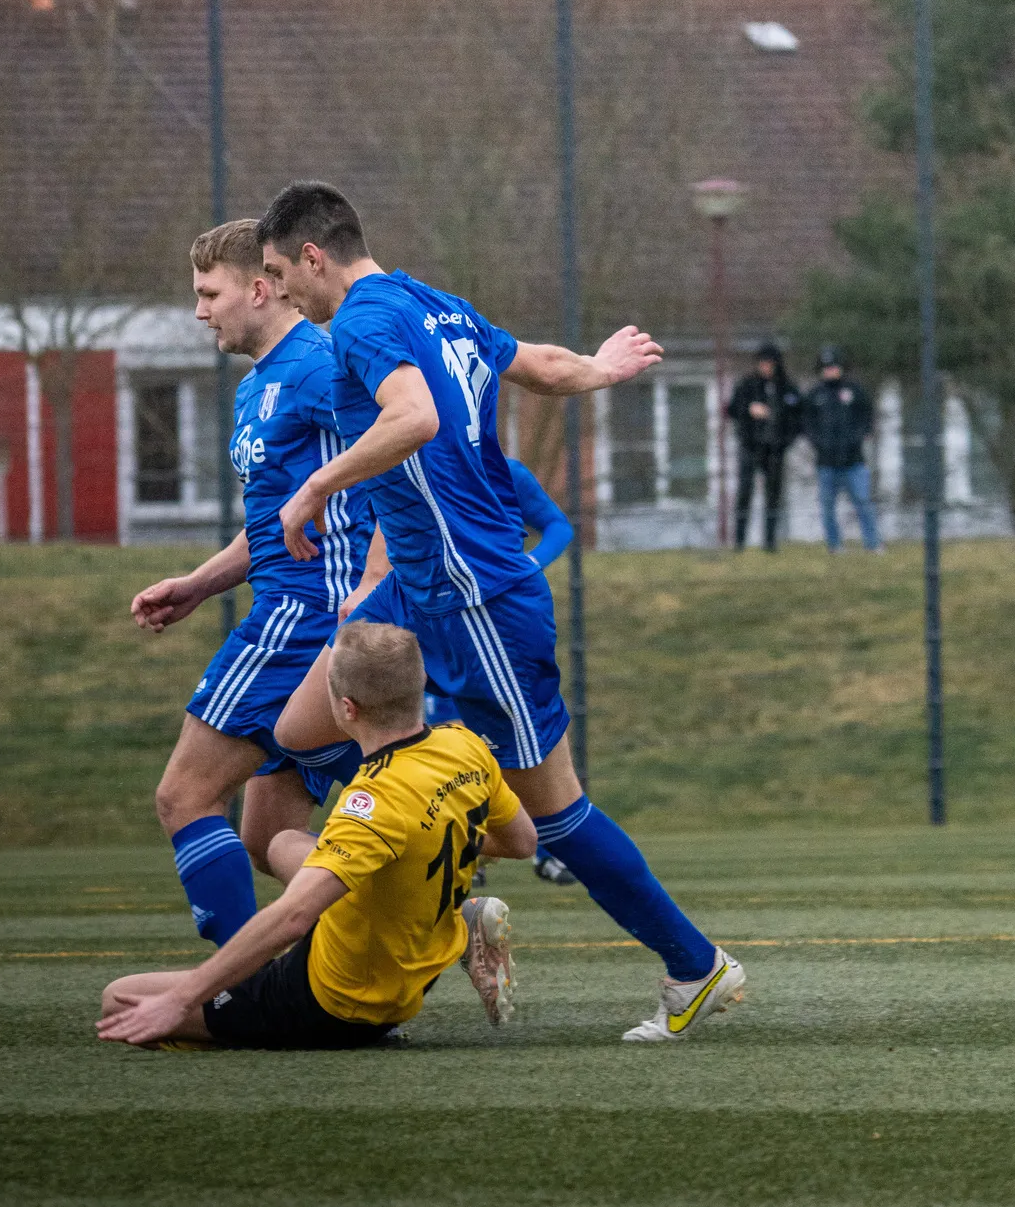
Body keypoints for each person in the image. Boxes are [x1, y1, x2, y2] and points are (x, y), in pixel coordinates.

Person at [256, 181, 745, 1042]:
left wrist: (314, 487)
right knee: (299, 731)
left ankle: (696, 966)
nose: (282, 294)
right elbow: (541, 366)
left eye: (279, 273)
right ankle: (424, 857)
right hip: (418, 587)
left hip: (476, 594)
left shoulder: (365, 320)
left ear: (313, 256)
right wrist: (600, 367)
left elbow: (414, 416)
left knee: (555, 813)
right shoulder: (436, 304)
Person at [97, 622, 531, 1048]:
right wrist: (427, 836)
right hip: (413, 967)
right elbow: (522, 842)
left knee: (120, 999)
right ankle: (461, 922)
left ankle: (231, 1028)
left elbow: (293, 917)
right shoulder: (463, 745)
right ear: (419, 686)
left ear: (347, 708)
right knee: (282, 843)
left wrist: (180, 999)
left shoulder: (371, 802)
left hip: (337, 1006)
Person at [130, 220, 377, 946]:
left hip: (306, 616)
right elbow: (272, 523)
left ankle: (237, 987)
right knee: (268, 838)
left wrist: (373, 581)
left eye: (210, 294)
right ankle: (436, 915)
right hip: (305, 613)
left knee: (183, 795)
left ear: (262, 289)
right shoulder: (254, 389)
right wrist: (200, 584)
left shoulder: (317, 367)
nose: (199, 311)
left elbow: (404, 449)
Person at [419, 456, 578, 886]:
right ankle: (464, 851)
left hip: (502, 629)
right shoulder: (413, 469)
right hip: (442, 627)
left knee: (525, 748)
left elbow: (559, 527)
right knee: (451, 748)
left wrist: (527, 566)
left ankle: (548, 849)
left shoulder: (506, 471)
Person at [725, 341, 803, 551]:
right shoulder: (747, 385)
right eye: (762, 363)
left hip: (775, 450)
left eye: (769, 363)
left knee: (773, 496)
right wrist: (749, 410)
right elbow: (731, 410)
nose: (766, 367)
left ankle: (770, 542)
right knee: (744, 493)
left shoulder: (787, 388)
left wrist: (785, 441)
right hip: (750, 447)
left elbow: (798, 417)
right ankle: (739, 542)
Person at [803, 345, 881, 554]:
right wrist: (819, 443)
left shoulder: (855, 391)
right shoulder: (815, 395)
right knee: (827, 506)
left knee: (863, 502)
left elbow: (867, 417)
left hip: (854, 461)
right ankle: (835, 545)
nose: (830, 371)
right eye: (826, 367)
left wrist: (858, 437)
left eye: (834, 366)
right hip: (826, 462)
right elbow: (807, 423)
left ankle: (873, 544)